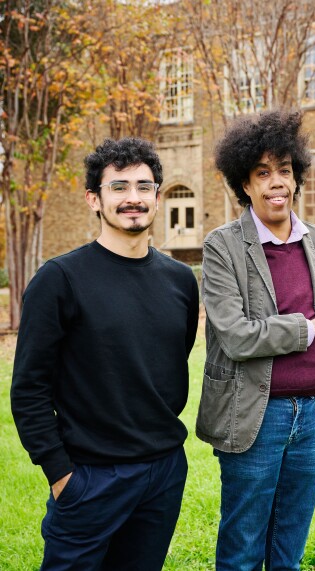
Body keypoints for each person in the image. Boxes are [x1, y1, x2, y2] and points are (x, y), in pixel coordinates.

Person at [10, 138, 200, 570]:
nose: (133, 198)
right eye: (118, 187)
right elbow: (29, 388)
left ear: (157, 195)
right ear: (94, 199)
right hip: (90, 476)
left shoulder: (180, 280)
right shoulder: (59, 279)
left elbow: (172, 359)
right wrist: (61, 475)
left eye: (144, 186)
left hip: (164, 471)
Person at [196, 109, 315, 571]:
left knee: (289, 552)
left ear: (296, 177)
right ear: (245, 184)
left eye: (284, 170)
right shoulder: (222, 246)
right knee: (241, 552)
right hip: (255, 417)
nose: (275, 182)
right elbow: (238, 337)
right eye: (263, 173)